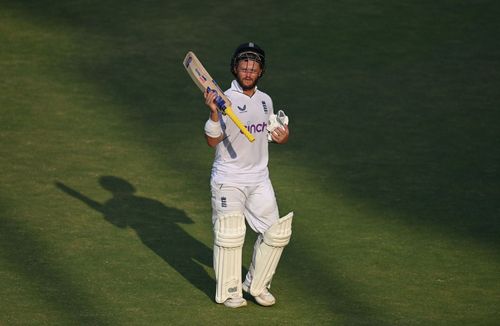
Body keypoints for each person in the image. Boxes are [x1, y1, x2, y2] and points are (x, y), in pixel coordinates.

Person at [202, 42, 294, 308]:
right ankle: (230, 291)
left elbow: (268, 134)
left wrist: (282, 137)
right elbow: (212, 141)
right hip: (229, 178)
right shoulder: (223, 99)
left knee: (276, 233)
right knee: (231, 234)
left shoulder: (266, 101)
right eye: (244, 67)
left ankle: (256, 284)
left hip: (259, 178)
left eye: (253, 68)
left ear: (260, 72)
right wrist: (213, 113)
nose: (248, 72)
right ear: (235, 68)